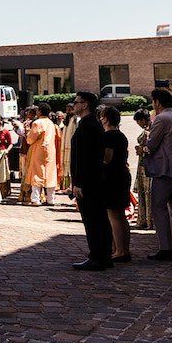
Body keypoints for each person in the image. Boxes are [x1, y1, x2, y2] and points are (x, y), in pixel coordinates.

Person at [69, 91, 113, 271]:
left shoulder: (88, 125)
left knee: (93, 220)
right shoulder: (92, 124)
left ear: (85, 104)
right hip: (94, 179)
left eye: (76, 102)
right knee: (99, 220)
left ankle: (97, 257)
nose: (74, 104)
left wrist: (78, 183)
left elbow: (85, 158)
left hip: (88, 181)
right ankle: (103, 256)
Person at [144, 88, 172, 261]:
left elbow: (151, 144)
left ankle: (166, 247)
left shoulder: (161, 118)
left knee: (158, 207)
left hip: (164, 169)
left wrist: (143, 147)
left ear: (157, 102)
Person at [100, 106, 131, 262]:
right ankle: (123, 249)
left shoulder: (109, 136)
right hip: (121, 175)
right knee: (120, 215)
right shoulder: (121, 135)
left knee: (114, 215)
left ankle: (119, 250)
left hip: (112, 177)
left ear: (105, 118)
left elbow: (107, 158)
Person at [26, 102, 57, 206]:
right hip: (50, 150)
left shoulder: (37, 123)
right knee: (50, 173)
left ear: (39, 111)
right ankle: (51, 199)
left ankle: (35, 199)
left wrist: (27, 134)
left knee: (37, 172)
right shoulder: (51, 123)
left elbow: (30, 139)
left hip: (39, 149)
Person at [132, 109, 154, 230]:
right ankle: (143, 219)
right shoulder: (148, 129)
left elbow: (153, 146)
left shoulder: (152, 128)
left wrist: (143, 149)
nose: (138, 124)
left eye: (139, 121)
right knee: (142, 192)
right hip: (142, 164)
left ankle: (149, 220)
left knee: (148, 193)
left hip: (149, 164)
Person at [59, 102, 78, 192]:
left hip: (71, 147)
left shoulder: (75, 120)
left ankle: (71, 187)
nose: (68, 111)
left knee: (71, 166)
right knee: (66, 165)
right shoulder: (67, 120)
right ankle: (66, 186)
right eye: (67, 110)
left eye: (70, 109)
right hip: (65, 146)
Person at [0, 114, 12, 197]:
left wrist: (7, 150)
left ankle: (3, 192)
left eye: (0, 120)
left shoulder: (5, 132)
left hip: (2, 153)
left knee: (3, 173)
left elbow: (10, 143)